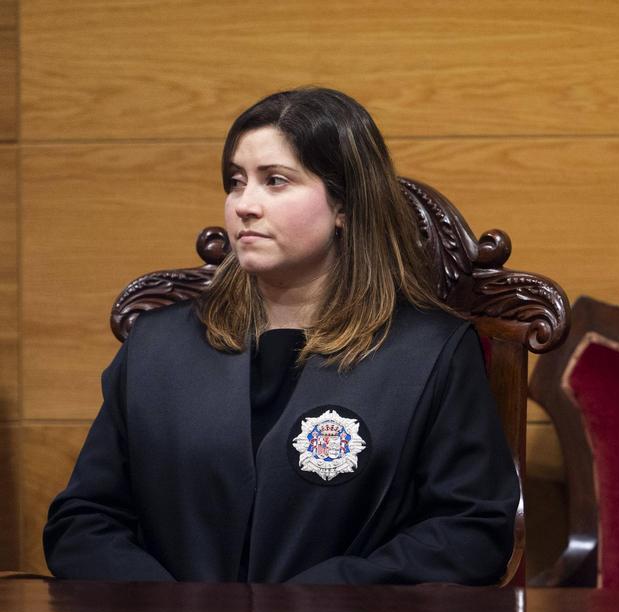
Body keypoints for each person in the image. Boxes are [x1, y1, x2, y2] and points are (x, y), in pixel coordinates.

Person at [44, 87, 519, 584]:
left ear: (344, 204)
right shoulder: (158, 346)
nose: (245, 205)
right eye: (235, 182)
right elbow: (83, 522)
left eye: (275, 181)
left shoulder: (429, 352)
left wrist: (320, 598)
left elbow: (471, 532)